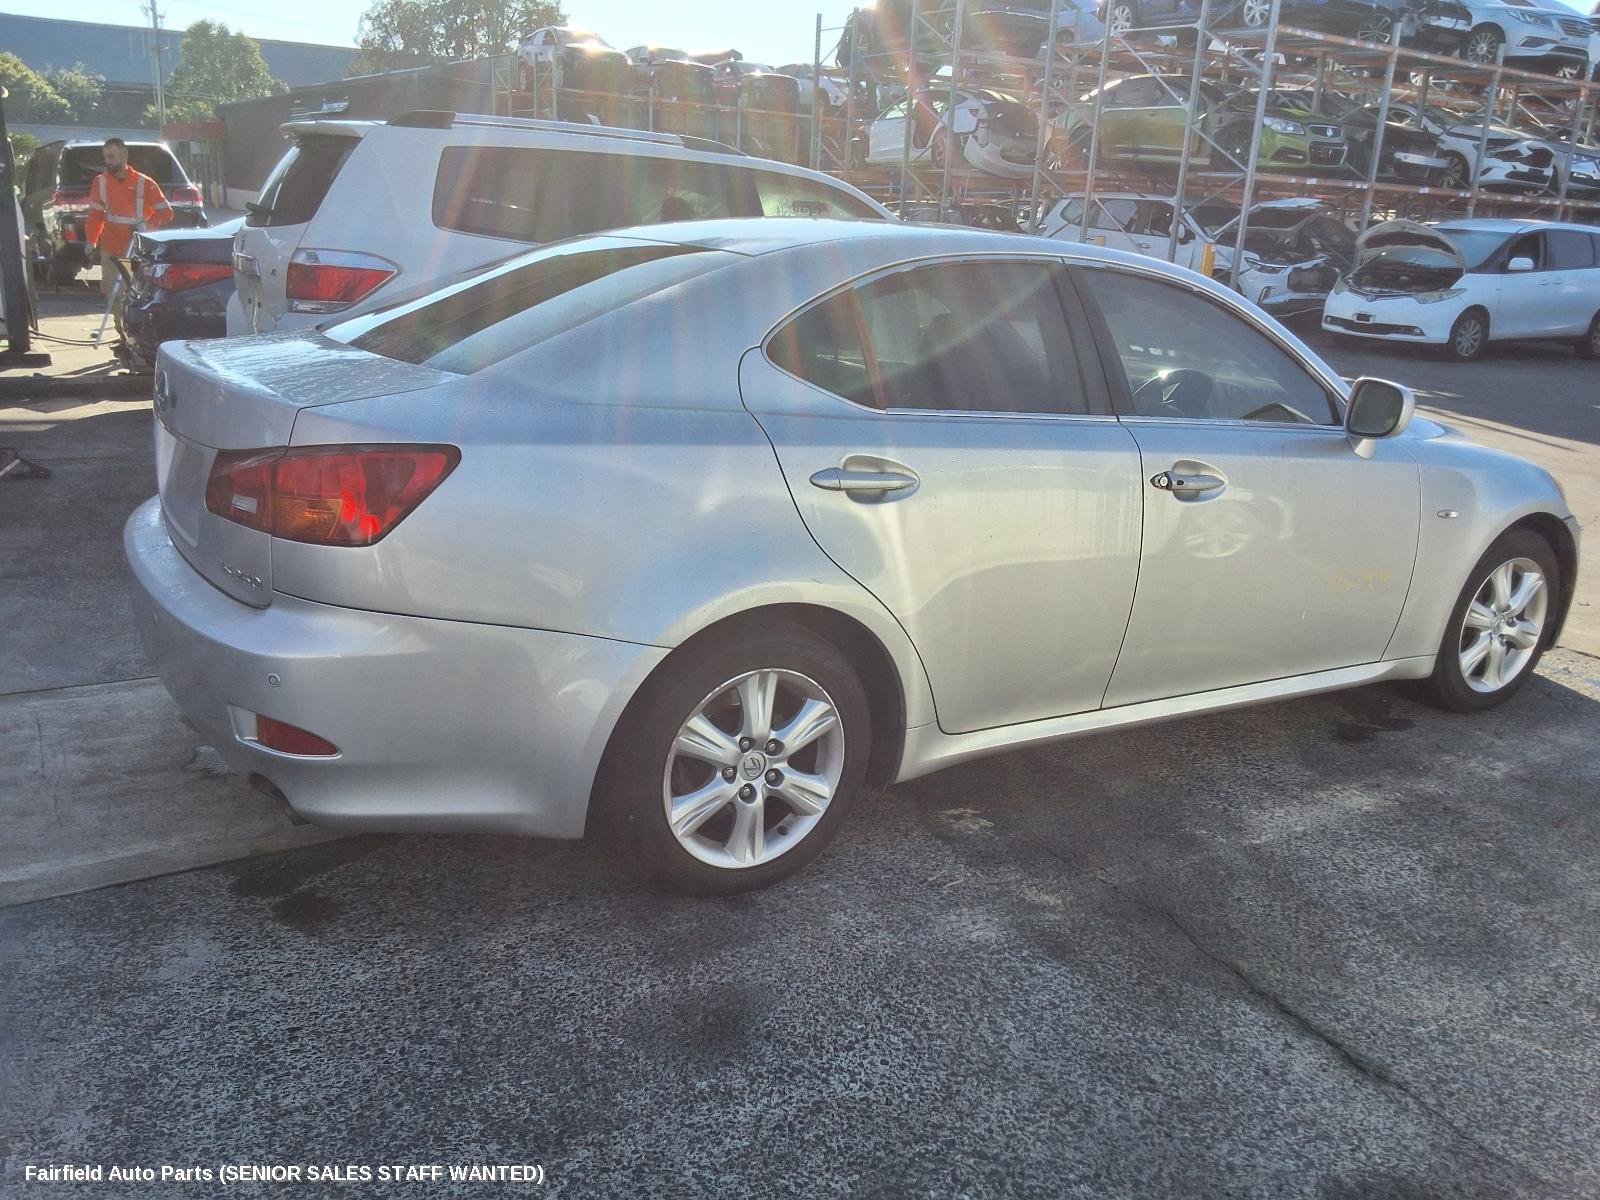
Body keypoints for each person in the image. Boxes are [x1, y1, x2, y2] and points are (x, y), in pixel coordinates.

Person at [84, 137, 172, 351]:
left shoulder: (144, 183)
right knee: (114, 294)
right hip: (112, 249)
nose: (108, 161)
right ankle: (124, 338)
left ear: (124, 156)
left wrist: (146, 226)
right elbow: (96, 216)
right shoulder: (101, 182)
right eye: (106, 156)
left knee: (136, 295)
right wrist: (91, 242)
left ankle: (139, 338)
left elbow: (166, 212)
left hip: (138, 252)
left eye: (112, 156)